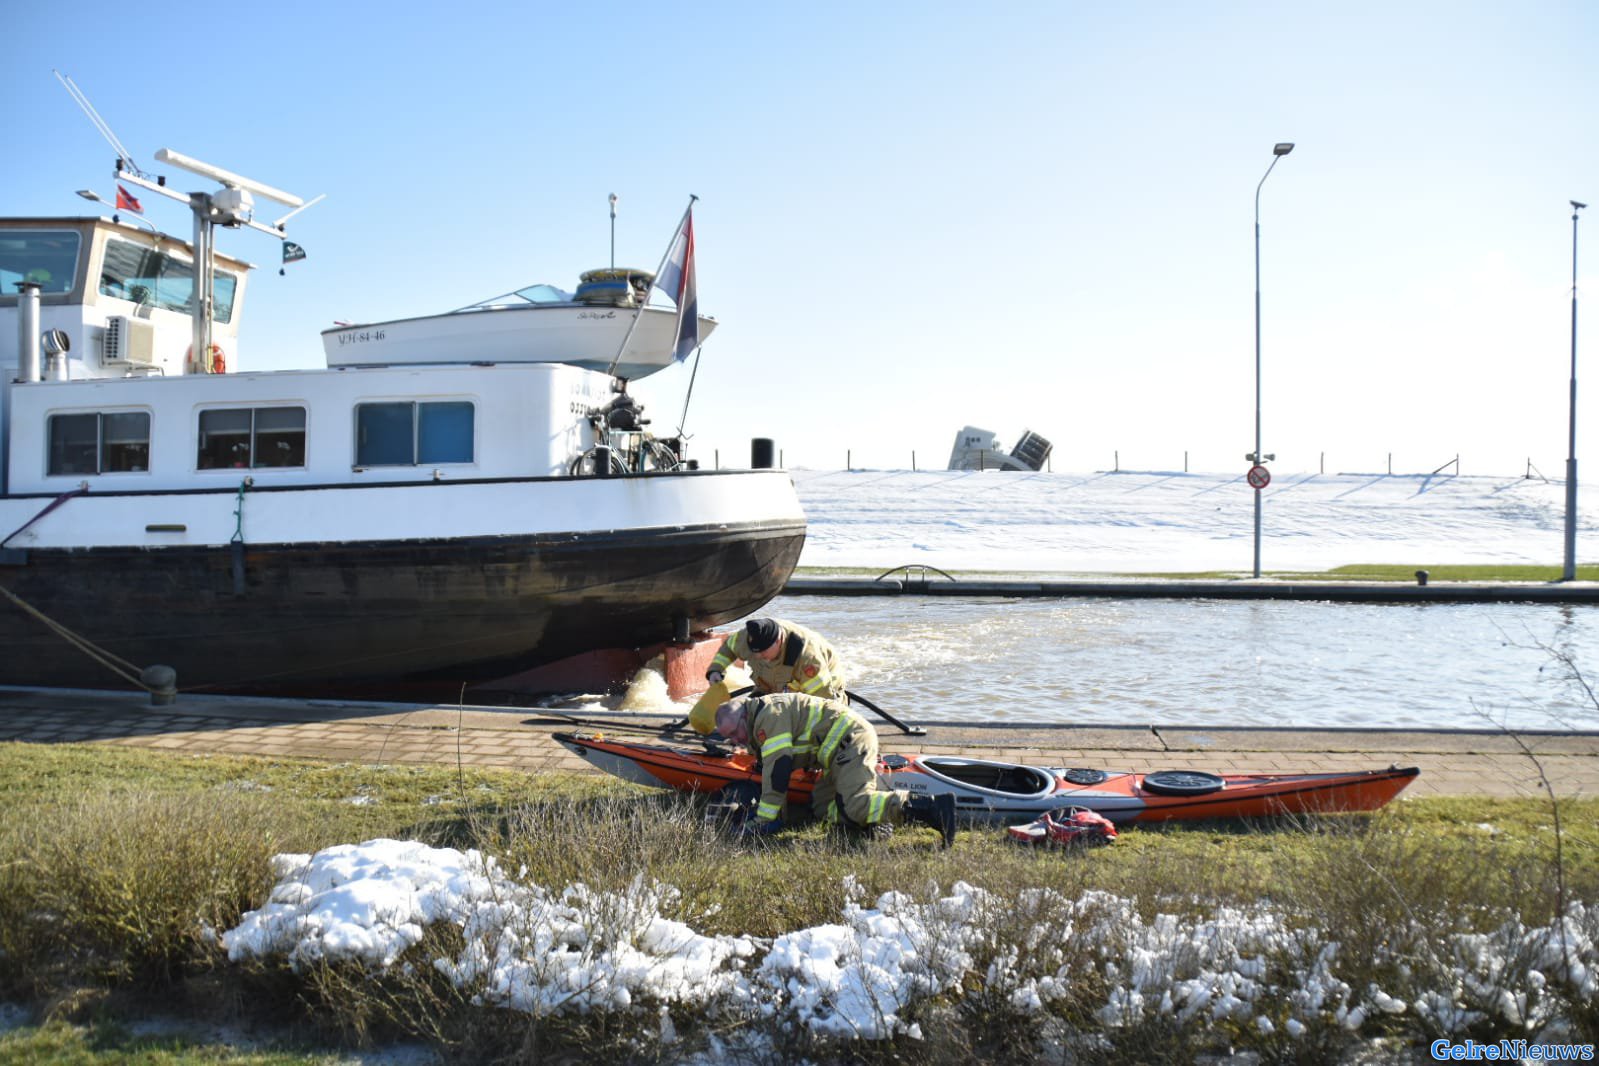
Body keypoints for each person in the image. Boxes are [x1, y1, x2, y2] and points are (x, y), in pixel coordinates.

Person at [714, 693, 956, 847]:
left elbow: (778, 770)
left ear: (744, 715)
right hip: (835, 756)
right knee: (821, 805)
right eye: (729, 738)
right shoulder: (759, 716)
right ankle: (870, 821)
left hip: (851, 742)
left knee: (855, 803)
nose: (736, 741)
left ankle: (935, 809)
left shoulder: (769, 718)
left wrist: (763, 819)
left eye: (735, 733)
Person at [706, 617, 846, 700]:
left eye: (763, 652)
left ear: (779, 641)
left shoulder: (807, 659)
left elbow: (822, 701)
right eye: (755, 653)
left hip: (820, 693)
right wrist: (715, 671)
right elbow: (728, 648)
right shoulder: (749, 637)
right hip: (772, 689)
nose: (758, 657)